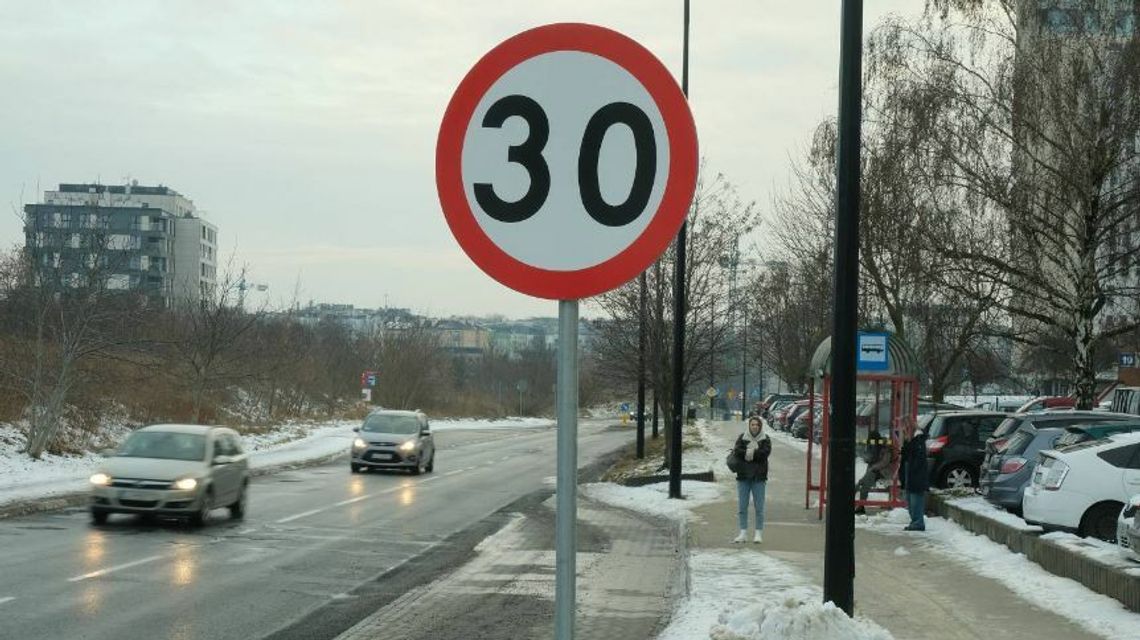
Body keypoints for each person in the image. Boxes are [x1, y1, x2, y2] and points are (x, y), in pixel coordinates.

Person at [731, 416, 771, 543]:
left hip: (758, 477)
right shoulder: (742, 438)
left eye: (757, 425)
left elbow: (765, 453)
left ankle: (758, 533)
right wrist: (752, 453)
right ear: (749, 426)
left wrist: (749, 453)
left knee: (759, 507)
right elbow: (737, 451)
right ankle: (743, 532)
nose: (755, 427)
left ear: (760, 426)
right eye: (753, 424)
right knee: (742, 506)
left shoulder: (765, 439)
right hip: (743, 476)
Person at [854, 429, 892, 515]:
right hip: (874, 471)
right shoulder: (875, 446)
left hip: (881, 472)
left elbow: (885, 462)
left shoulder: (885, 447)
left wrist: (873, 467)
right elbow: (870, 459)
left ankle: (861, 506)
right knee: (860, 483)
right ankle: (858, 505)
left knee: (864, 486)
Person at [900, 425, 930, 531]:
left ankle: (918, 522)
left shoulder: (919, 442)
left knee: (915, 500)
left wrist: (916, 427)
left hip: (917, 476)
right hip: (911, 474)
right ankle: (915, 521)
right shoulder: (912, 442)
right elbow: (905, 453)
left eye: (907, 431)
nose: (905, 434)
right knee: (910, 499)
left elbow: (915, 455)